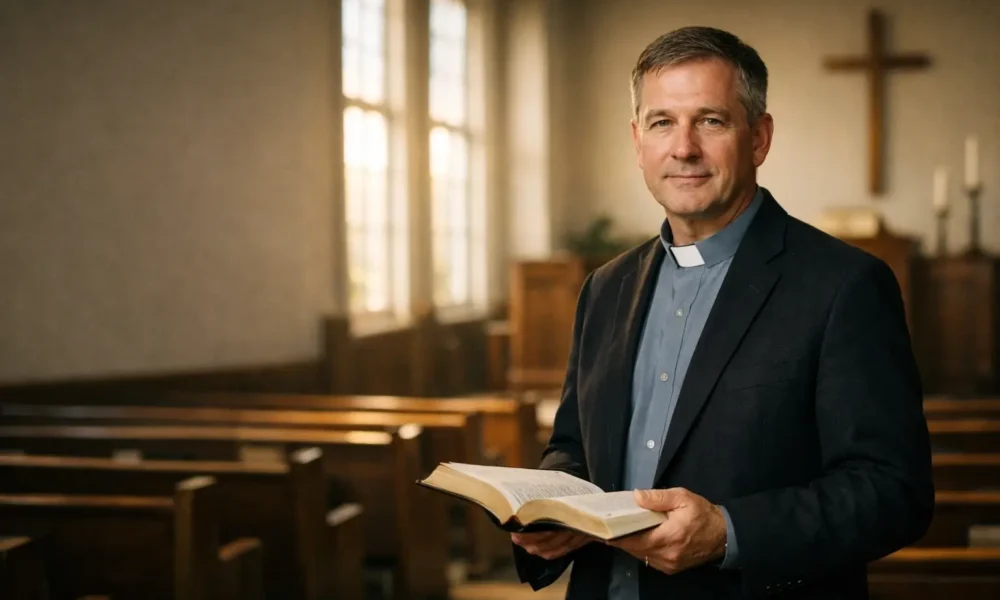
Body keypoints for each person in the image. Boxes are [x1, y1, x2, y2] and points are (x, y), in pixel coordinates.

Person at [511, 25, 934, 599]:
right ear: (638, 141)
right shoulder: (605, 289)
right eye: (662, 122)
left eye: (710, 121)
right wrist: (551, 505)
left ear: (759, 138)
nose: (683, 147)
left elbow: (894, 491)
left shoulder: (845, 286)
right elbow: (575, 446)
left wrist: (730, 532)